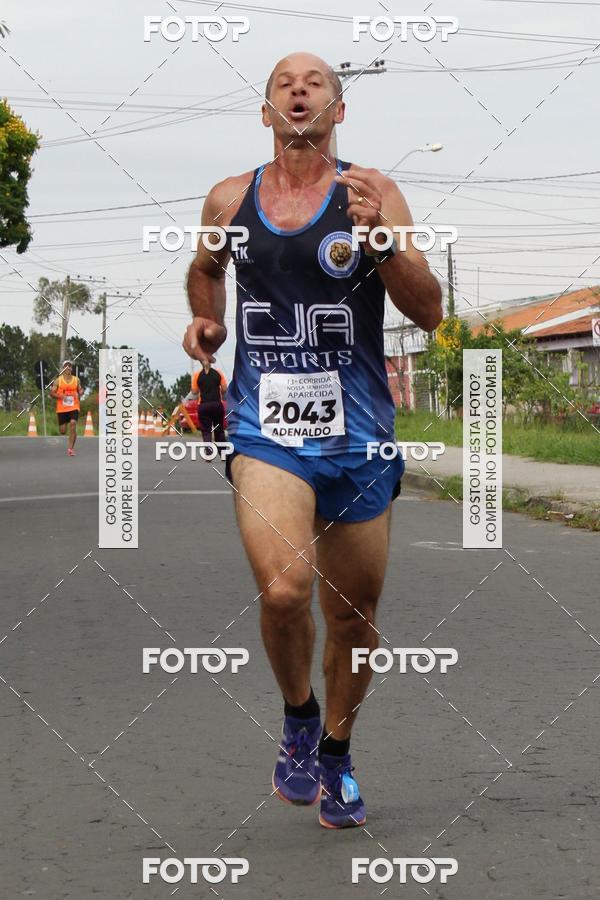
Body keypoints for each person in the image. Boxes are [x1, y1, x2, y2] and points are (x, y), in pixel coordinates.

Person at [183, 52, 442, 828]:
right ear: (266, 113)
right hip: (268, 428)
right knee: (286, 589)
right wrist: (208, 320)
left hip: (360, 433)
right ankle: (298, 715)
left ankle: (335, 751)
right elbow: (205, 269)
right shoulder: (230, 198)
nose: (300, 91)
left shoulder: (372, 192)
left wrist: (383, 243)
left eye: (317, 83)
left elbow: (428, 311)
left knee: (354, 617)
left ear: (338, 109)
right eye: (284, 86)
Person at [49, 360, 83, 457]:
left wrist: (79, 393)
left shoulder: (77, 380)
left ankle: (70, 449)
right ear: (63, 368)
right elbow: (51, 393)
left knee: (73, 423)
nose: (68, 368)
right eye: (66, 366)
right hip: (62, 408)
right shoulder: (58, 380)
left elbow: (81, 390)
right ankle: (72, 432)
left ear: (71, 369)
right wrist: (60, 396)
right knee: (63, 431)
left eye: (69, 366)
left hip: (74, 406)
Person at [191, 361, 227, 443]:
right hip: (217, 404)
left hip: (203, 405)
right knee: (219, 430)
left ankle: (209, 452)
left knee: (206, 430)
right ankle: (223, 453)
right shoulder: (218, 373)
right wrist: (220, 392)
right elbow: (224, 389)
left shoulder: (197, 375)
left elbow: (194, 392)